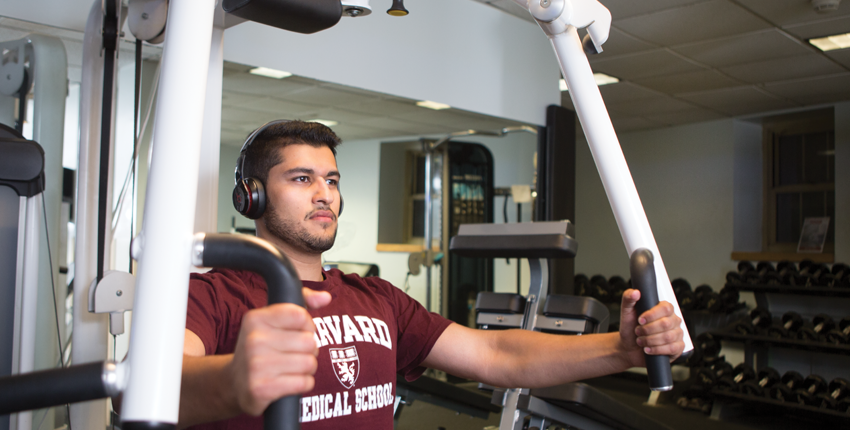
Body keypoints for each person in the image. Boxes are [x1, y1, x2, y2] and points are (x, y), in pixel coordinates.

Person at [178, 120, 685, 429]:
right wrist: (235, 378)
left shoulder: (376, 298)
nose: (324, 193)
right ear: (253, 196)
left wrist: (619, 351)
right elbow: (157, 385)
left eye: (331, 179)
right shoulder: (215, 294)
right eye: (302, 178)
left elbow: (496, 353)